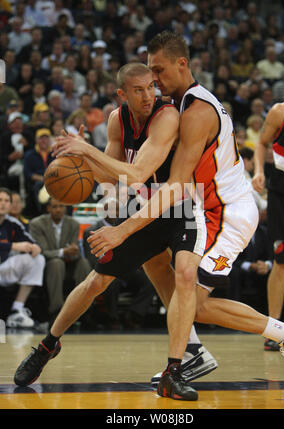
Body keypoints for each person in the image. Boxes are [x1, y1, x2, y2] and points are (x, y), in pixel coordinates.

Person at [81, 32, 284, 400]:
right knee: (163, 267)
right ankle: (192, 354)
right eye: (149, 73)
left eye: (158, 71)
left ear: (182, 64)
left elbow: (175, 186)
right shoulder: (177, 103)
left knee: (193, 300)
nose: (154, 80)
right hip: (204, 206)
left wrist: (120, 232)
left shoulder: (197, 111)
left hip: (226, 211)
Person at [14, 62, 217, 395]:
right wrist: (86, 165)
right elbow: (113, 177)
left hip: (179, 205)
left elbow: (136, 173)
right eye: (138, 90)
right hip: (143, 209)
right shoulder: (116, 120)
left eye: (151, 86)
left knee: (182, 275)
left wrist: (86, 151)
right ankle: (47, 346)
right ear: (122, 94)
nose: (148, 95)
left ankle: (176, 370)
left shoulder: (166, 116)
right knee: (96, 280)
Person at [252, 69, 284, 351]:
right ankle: (274, 328)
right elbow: (260, 142)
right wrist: (258, 171)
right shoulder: (281, 112)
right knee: (281, 263)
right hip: (282, 196)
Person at [29, 197, 92, 324]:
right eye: (54, 207)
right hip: (46, 266)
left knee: (84, 263)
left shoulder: (73, 224)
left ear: (66, 208)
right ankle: (56, 310)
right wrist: (63, 252)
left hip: (68, 263)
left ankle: (83, 308)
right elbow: (42, 251)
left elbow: (74, 252)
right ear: (48, 209)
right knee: (57, 263)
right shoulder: (37, 224)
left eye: (61, 206)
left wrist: (73, 252)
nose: (58, 210)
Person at [0, 187, 45, 328]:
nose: (3, 204)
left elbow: (30, 241)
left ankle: (17, 310)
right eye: (0, 200)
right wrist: (13, 246)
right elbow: (14, 246)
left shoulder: (13, 223)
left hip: (3, 268)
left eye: (7, 200)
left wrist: (35, 247)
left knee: (38, 259)